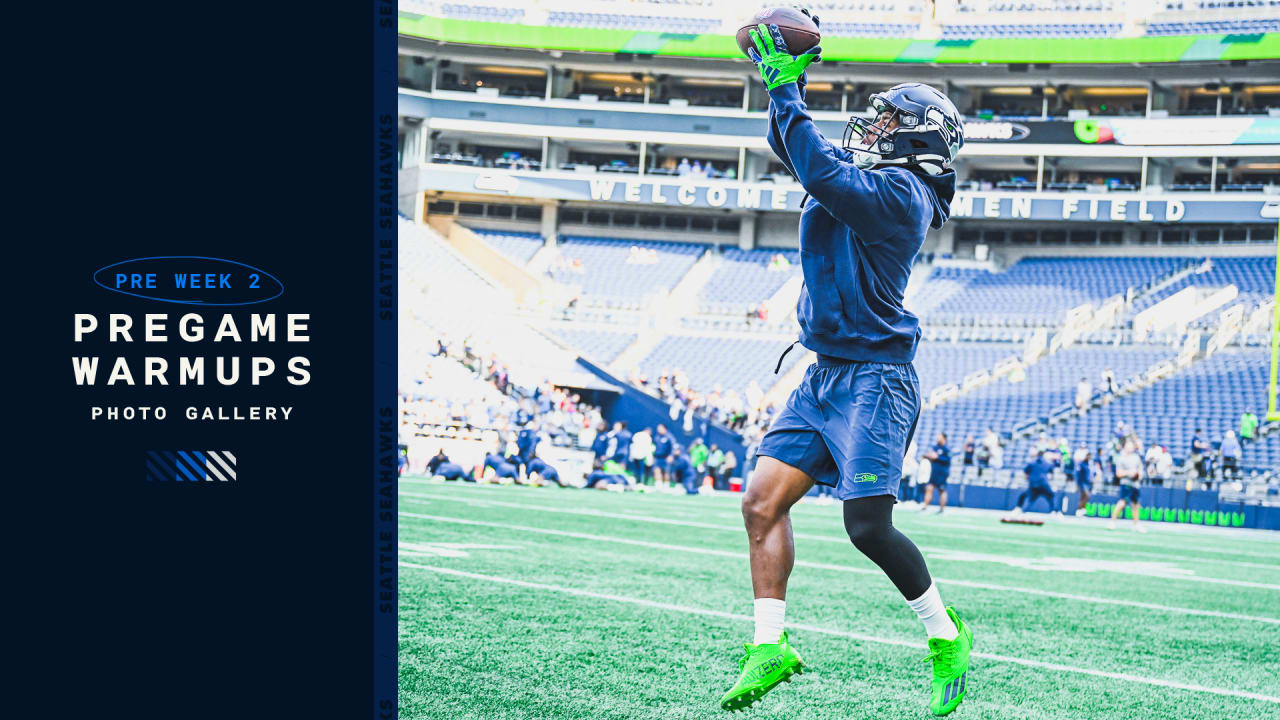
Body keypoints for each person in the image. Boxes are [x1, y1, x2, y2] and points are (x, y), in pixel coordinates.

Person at [723, 24, 973, 715]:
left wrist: (786, 88)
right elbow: (793, 146)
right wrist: (782, 78)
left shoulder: (904, 197)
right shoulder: (862, 177)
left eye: (890, 120)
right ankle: (770, 645)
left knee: (866, 526)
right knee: (760, 502)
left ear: (918, 137)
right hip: (824, 374)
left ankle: (946, 635)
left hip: (876, 379)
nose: (875, 127)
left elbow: (817, 169)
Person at [1108, 441, 1146, 533]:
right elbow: (1118, 473)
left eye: (1131, 446)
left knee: (1136, 505)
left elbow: (1140, 470)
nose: (1130, 448)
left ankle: (1136, 524)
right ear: (1124, 447)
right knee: (1122, 502)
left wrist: (1139, 475)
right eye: (1128, 446)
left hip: (1135, 484)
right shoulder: (1121, 458)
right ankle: (1112, 522)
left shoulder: (1136, 458)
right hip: (1126, 483)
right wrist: (1130, 472)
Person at [920, 433, 952, 514]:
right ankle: (925, 507)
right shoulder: (935, 447)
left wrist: (937, 457)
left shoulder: (946, 449)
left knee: (941, 490)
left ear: (944, 438)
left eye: (939, 437)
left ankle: (942, 509)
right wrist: (927, 456)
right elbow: (932, 457)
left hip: (942, 473)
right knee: (929, 488)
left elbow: (948, 460)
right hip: (934, 472)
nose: (938, 438)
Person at [1072, 442, 1092, 516]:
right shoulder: (1081, 464)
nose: (1089, 458)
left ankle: (1081, 510)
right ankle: (1079, 509)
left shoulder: (1088, 465)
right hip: (1082, 483)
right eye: (1088, 456)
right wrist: (1078, 484)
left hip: (1087, 483)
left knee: (1083, 497)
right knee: (1087, 496)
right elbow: (1078, 475)